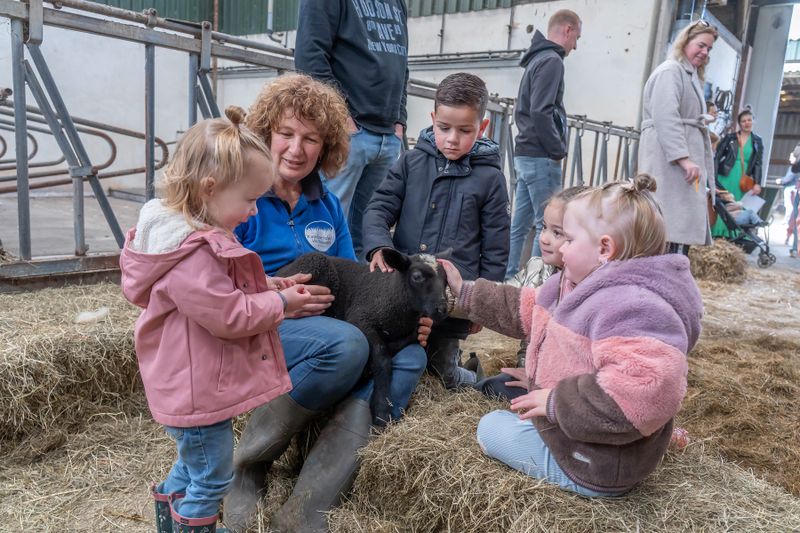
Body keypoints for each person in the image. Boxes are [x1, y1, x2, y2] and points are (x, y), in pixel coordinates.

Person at [226, 74, 429, 533]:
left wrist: (405, 318)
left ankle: (307, 506)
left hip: (327, 327)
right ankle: (247, 468)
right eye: (286, 133)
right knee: (348, 346)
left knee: (409, 356)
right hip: (261, 324)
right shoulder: (241, 196)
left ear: (327, 147)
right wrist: (278, 300)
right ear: (264, 134)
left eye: (311, 139)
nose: (296, 149)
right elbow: (214, 283)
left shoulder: (328, 206)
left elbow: (357, 285)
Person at [439, 174, 702, 497]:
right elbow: (526, 308)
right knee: (507, 399)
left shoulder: (633, 306)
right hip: (582, 432)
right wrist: (466, 292)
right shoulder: (576, 282)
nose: (560, 247)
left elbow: (645, 391)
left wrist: (556, 401)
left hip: (599, 462)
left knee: (490, 428)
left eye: (570, 239)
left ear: (604, 248)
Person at [120, 108, 312, 533]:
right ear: (210, 189)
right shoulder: (191, 253)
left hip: (191, 384)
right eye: (249, 200)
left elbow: (220, 290)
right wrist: (282, 305)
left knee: (191, 468)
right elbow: (228, 314)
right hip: (196, 390)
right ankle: (196, 526)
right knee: (213, 478)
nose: (255, 211)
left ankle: (172, 523)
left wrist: (270, 286)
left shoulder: (185, 236)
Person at [362, 72, 510, 390]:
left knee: (440, 374)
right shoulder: (411, 163)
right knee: (392, 356)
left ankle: (469, 374)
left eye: (464, 130)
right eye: (444, 128)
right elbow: (378, 208)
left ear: (482, 127)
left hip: (450, 299)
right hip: (403, 289)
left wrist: (483, 304)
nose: (452, 139)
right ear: (432, 120)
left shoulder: (491, 179)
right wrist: (378, 246)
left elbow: (496, 248)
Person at [295, 0, 408, 258]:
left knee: (367, 242)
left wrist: (399, 119)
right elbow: (309, 57)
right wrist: (341, 118)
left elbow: (403, 64)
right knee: (324, 240)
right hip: (347, 134)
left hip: (387, 135)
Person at [477, 185, 589, 398]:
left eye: (557, 233)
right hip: (530, 371)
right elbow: (502, 299)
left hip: (561, 388)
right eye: (543, 227)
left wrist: (542, 382)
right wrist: (456, 297)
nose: (544, 238)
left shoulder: (589, 288)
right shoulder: (536, 267)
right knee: (484, 387)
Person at [506, 9, 582, 280]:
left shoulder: (537, 58)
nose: (576, 46)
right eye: (577, 38)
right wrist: (557, 149)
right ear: (568, 30)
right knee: (548, 224)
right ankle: (538, 282)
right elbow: (541, 110)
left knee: (520, 225)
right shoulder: (552, 61)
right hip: (540, 154)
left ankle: (509, 278)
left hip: (525, 152)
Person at [638, 19, 718, 255]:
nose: (705, 52)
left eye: (709, 48)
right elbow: (666, 116)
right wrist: (683, 158)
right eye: (701, 45)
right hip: (668, 164)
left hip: (677, 166)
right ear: (686, 42)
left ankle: (674, 269)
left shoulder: (687, 74)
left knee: (675, 225)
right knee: (665, 224)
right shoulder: (670, 71)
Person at [712, 109, 764, 238]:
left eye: (749, 120)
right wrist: (713, 177)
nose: (747, 123)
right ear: (739, 124)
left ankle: (736, 234)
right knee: (724, 203)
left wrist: (757, 183)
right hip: (726, 175)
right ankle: (717, 232)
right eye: (743, 121)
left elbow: (758, 163)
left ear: (753, 121)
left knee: (738, 204)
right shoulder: (730, 138)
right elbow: (717, 157)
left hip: (743, 179)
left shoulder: (758, 141)